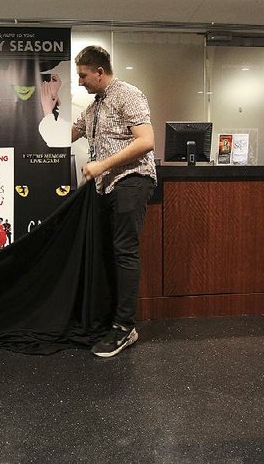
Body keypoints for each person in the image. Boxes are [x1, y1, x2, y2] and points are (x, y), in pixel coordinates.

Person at [71, 45, 157, 357]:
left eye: (83, 75)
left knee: (124, 252)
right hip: (105, 187)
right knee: (108, 253)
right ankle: (112, 319)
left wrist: (102, 165)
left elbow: (146, 141)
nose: (80, 81)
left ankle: (125, 327)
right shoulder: (93, 108)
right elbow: (67, 133)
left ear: (99, 71)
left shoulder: (127, 94)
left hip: (131, 181)